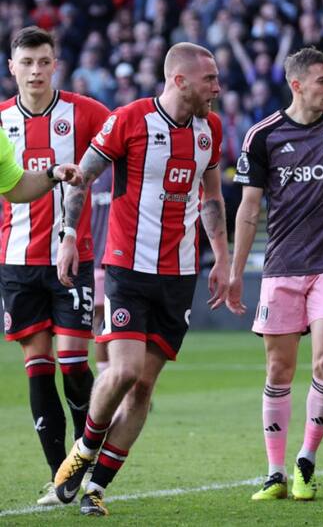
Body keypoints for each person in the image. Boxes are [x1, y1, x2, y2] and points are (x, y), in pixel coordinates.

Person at [52, 42, 230, 516]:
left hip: (180, 274)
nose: (217, 87)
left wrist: (224, 258)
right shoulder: (129, 119)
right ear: (180, 80)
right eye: (209, 79)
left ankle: (96, 487)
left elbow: (211, 196)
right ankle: (83, 453)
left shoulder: (210, 128)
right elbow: (82, 177)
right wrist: (69, 235)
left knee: (145, 387)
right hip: (128, 267)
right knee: (125, 370)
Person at [227, 46, 323, 502]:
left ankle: (306, 463)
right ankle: (275, 472)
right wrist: (236, 271)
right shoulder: (263, 135)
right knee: (279, 368)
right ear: (296, 85)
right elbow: (248, 210)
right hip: (281, 267)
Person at [0, 26, 107, 506]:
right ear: (12, 68)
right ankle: (60, 477)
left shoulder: (85, 112)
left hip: (71, 256)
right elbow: (15, 189)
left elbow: (127, 141)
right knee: (37, 365)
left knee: (72, 362)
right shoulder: (1, 121)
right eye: (27, 63)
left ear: (56, 63)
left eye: (44, 61)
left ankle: (85, 456)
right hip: (17, 260)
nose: (36, 71)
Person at [90, 168, 112, 376]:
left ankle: (120, 378)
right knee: (101, 319)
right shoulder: (89, 173)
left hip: (121, 261)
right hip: (97, 261)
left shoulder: (128, 170)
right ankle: (106, 378)